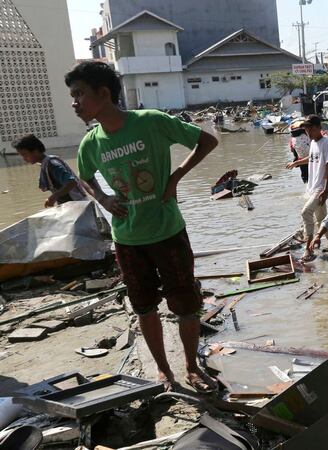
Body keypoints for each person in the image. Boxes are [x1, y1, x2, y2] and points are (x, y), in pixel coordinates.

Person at [66, 61, 219, 393]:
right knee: (145, 308)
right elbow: (86, 176)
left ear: (103, 93)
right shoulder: (90, 143)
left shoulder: (151, 122)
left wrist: (176, 176)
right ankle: (164, 372)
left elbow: (207, 141)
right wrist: (105, 201)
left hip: (168, 232)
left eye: (79, 94)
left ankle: (192, 367)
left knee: (187, 306)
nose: (74, 102)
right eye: (72, 95)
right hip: (128, 240)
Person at [286, 114, 328, 259]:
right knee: (322, 219)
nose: (307, 134)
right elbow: (312, 158)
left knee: (306, 212)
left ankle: (308, 248)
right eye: (306, 131)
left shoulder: (327, 143)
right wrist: (296, 162)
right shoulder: (313, 142)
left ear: (316, 128)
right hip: (313, 186)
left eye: (308, 130)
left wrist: (326, 189)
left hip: (321, 187)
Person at [13, 134, 86, 207]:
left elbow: (72, 182)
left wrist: (54, 196)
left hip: (77, 205)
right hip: (70, 206)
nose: (24, 158)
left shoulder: (52, 164)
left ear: (35, 151)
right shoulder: (45, 164)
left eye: (25, 154)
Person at [287, 119, 310, 184]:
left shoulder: (292, 139)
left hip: (301, 160)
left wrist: (295, 159)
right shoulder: (308, 135)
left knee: (305, 176)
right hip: (312, 159)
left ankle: (306, 187)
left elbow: (293, 150)